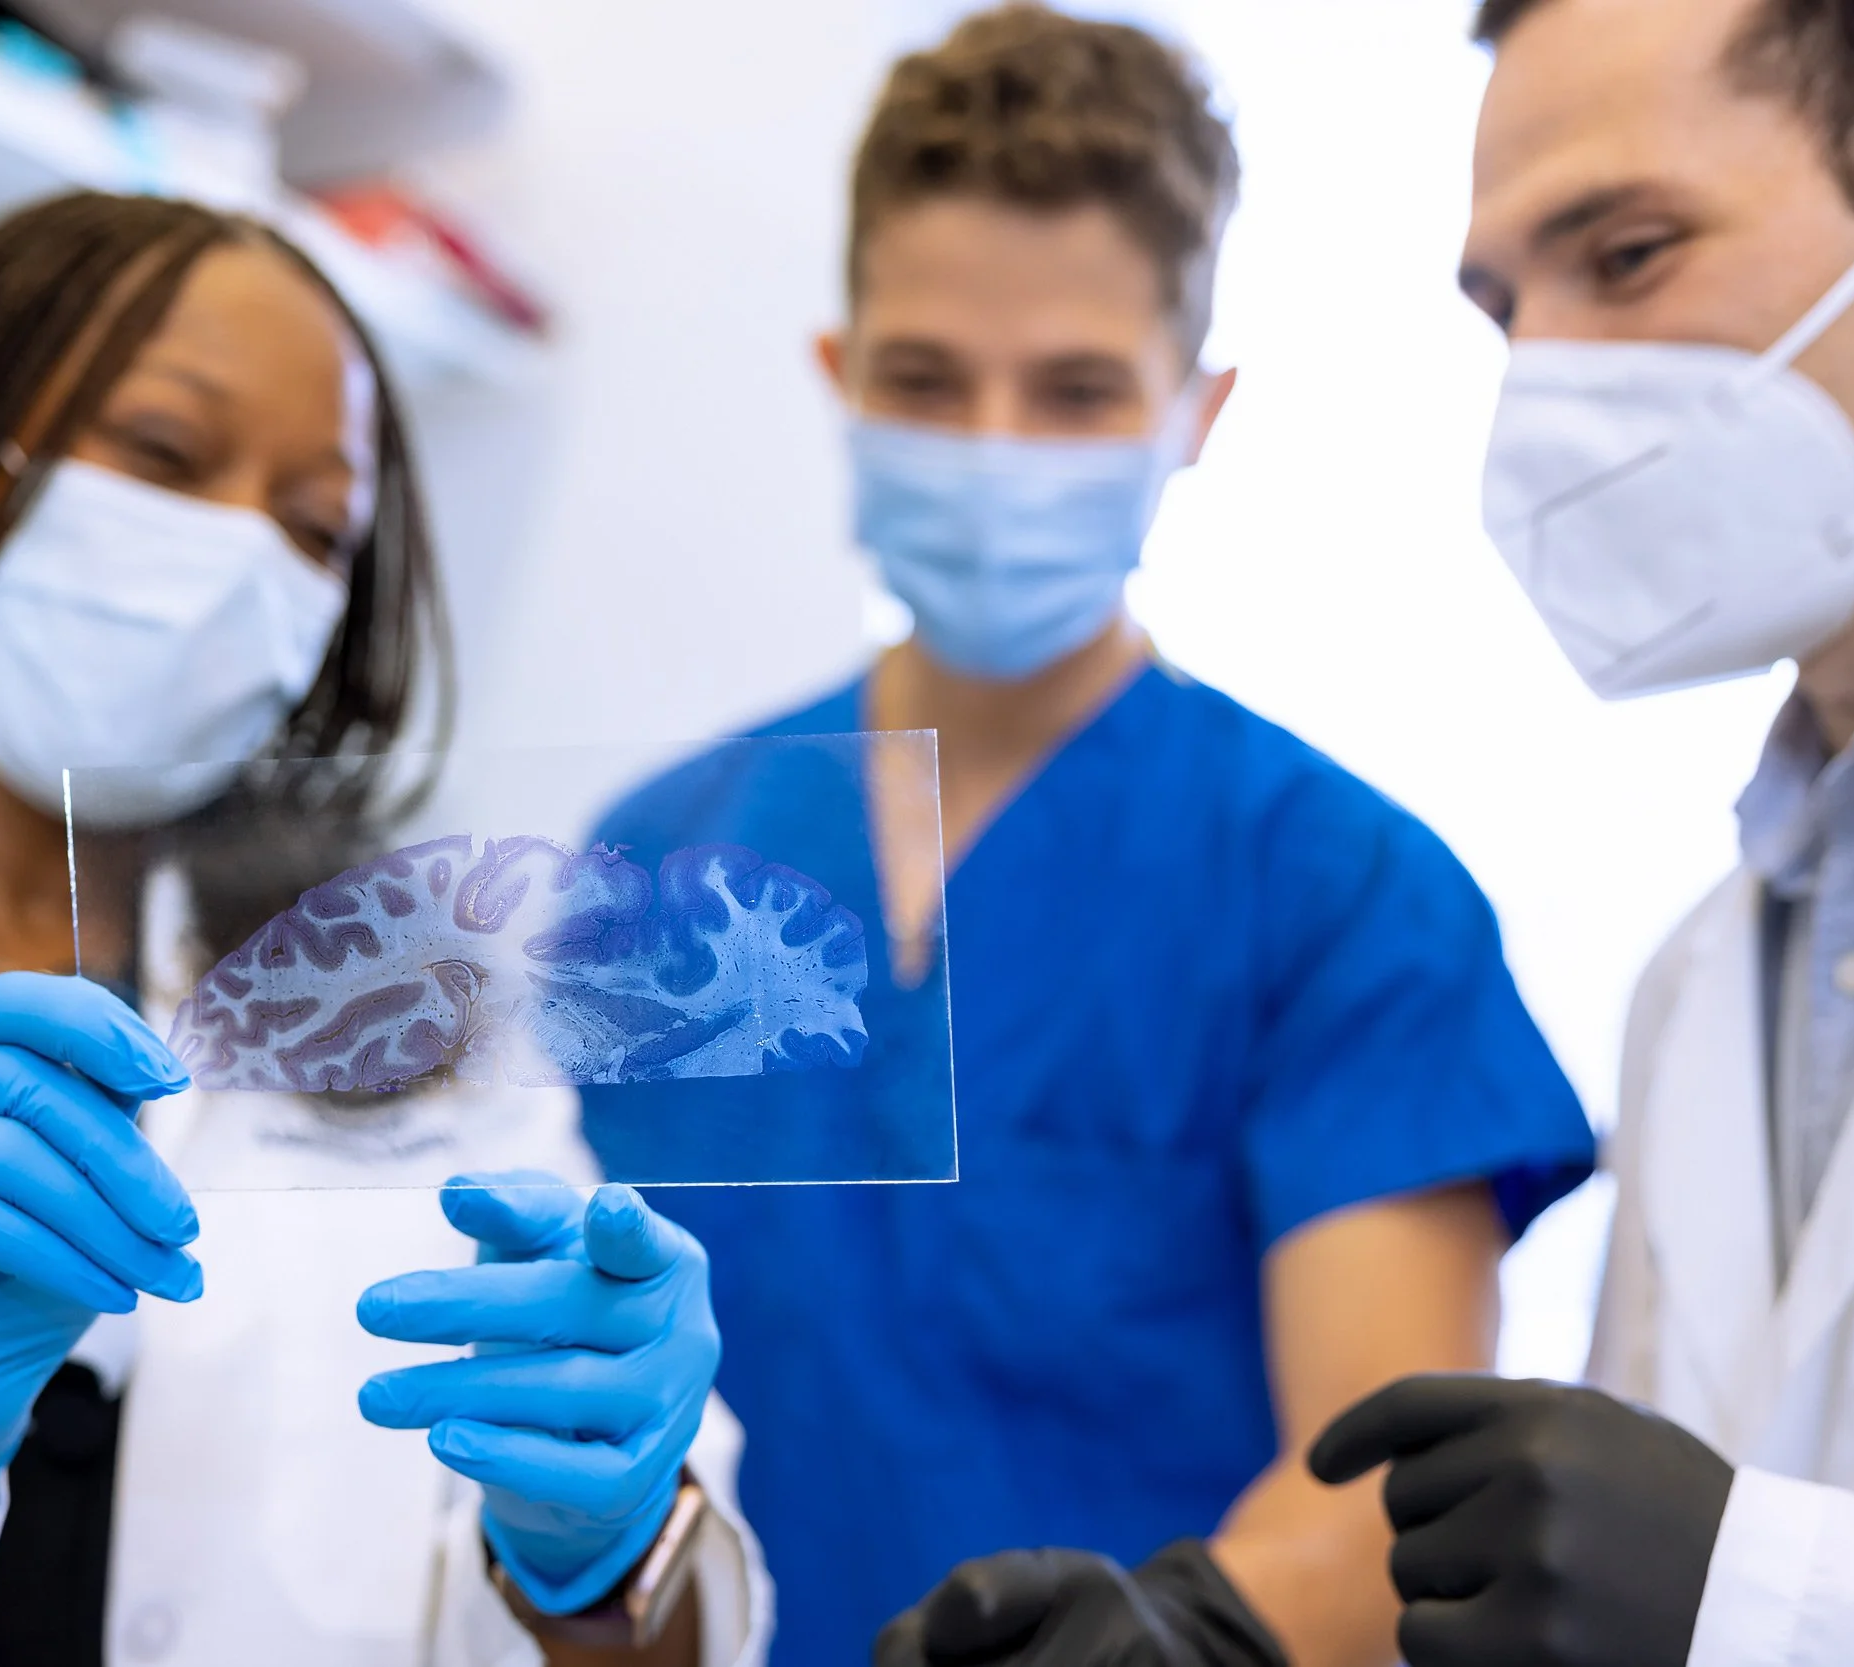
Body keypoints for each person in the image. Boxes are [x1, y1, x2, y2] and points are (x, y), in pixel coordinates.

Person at [893, 3, 1854, 1666]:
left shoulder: (1333, 889)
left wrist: (1763, 1605)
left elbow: (1739, 1600)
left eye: (1627, 255)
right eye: (1506, 309)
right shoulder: (1701, 980)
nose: (1548, 381)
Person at [0, 192, 766, 1666]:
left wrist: (598, 1563)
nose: (241, 565)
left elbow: (658, 1641)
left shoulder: (409, 1022)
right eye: (165, 457)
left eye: (314, 528)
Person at [578, 10, 1600, 1667]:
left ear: (1196, 409)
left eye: (1073, 391)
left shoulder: (1341, 900)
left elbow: (1379, 1496)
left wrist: (1158, 1643)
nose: (993, 446)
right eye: (926, 380)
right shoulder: (644, 871)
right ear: (841, 379)